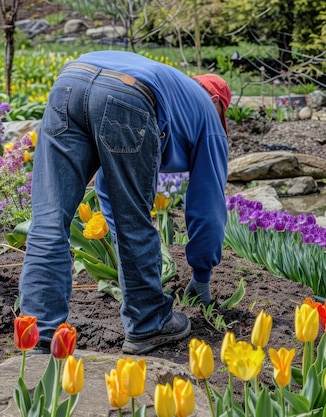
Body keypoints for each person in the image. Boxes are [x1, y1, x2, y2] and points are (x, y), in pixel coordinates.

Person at [18, 50, 231, 355]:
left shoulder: (172, 85)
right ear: (218, 104)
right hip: (128, 96)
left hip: (70, 80)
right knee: (134, 220)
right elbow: (207, 206)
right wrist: (201, 276)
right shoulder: (209, 116)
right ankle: (148, 323)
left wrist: (124, 246)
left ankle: (37, 332)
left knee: (49, 219)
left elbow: (107, 187)